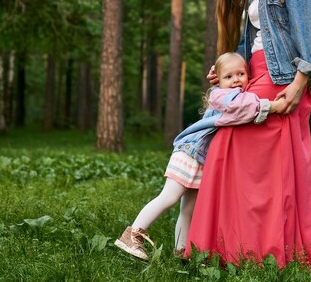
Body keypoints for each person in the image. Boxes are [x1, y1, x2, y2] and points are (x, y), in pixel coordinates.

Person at [185, 0, 311, 271]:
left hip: (281, 78)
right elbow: (251, 41)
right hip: (255, 76)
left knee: (245, 157)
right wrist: (226, 69)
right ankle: (236, 250)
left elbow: (309, 31)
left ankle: (266, 251)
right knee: (229, 155)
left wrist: (298, 84)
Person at [114, 52, 285, 260]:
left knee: (188, 209)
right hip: (189, 153)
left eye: (240, 74)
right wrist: (271, 106)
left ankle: (181, 251)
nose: (235, 80)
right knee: (169, 196)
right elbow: (240, 108)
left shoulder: (239, 93)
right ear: (218, 80)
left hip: (203, 160)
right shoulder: (221, 95)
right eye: (228, 77)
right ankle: (132, 234)